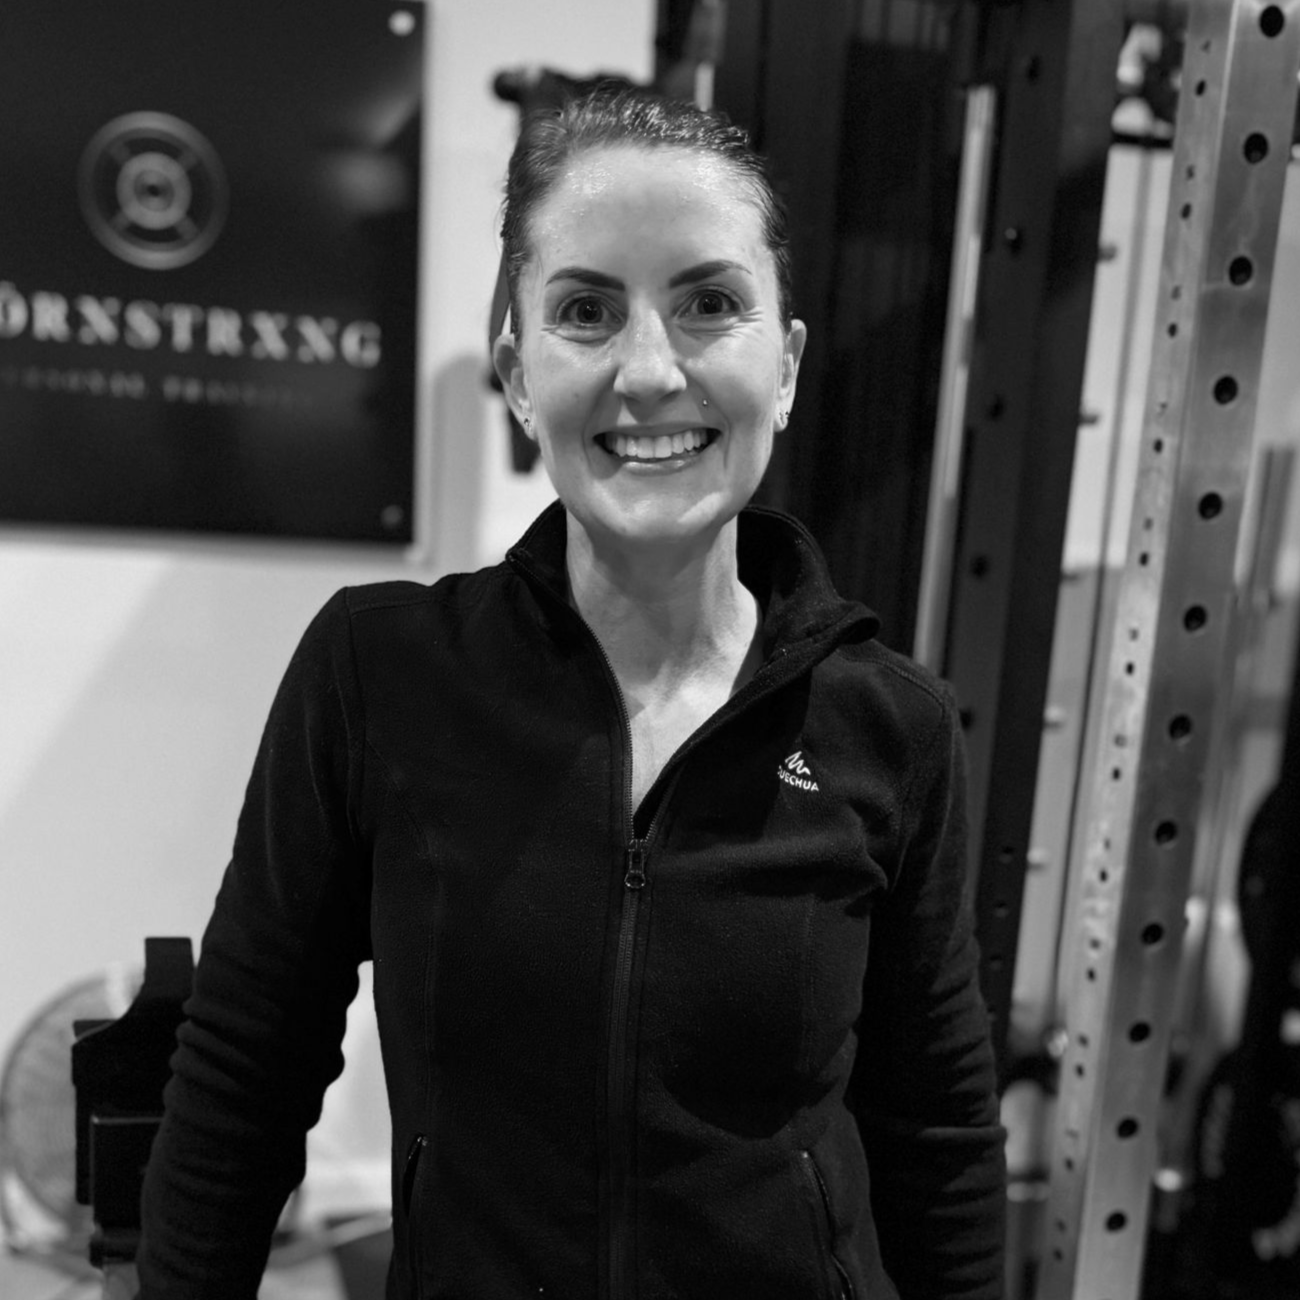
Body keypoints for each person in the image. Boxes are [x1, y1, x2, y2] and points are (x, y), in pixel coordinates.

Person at [137, 86, 1006, 1299]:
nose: (649, 370)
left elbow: (935, 1133)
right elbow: (244, 1072)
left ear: (787, 365)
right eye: (587, 312)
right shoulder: (377, 673)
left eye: (709, 304)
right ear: (516, 371)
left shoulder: (891, 726)